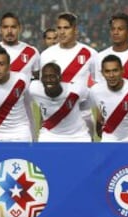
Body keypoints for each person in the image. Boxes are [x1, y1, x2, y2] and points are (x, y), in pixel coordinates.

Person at [40, 12, 98, 140]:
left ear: (75, 30)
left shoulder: (90, 54)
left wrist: (100, 116)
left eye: (66, 28)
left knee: (83, 159)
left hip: (83, 116)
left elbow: (99, 86)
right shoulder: (46, 55)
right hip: (54, 116)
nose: (62, 32)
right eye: (59, 28)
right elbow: (42, 91)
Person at [90, 55, 128, 142]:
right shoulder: (95, 90)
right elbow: (99, 112)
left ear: (122, 70)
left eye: (115, 70)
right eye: (107, 71)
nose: (111, 75)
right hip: (109, 141)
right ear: (102, 73)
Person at [29, 63, 91, 142]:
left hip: (78, 136)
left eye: (52, 76)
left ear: (60, 78)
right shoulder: (34, 89)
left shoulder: (76, 89)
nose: (48, 80)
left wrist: (82, 111)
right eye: (45, 77)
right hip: (49, 135)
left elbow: (92, 97)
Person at [95, 13, 128, 85]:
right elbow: (99, 87)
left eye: (120, 29)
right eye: (113, 29)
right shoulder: (100, 57)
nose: (115, 32)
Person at [0, 12, 40, 80]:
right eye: (5, 27)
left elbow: (37, 79)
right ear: (0, 29)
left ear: (20, 28)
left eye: (13, 27)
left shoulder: (32, 52)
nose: (9, 31)